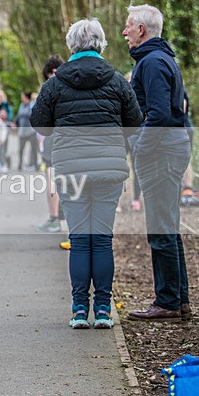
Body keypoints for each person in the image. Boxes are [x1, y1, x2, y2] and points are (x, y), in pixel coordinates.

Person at [32, 19, 142, 329]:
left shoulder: (54, 83)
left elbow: (40, 124)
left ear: (71, 47)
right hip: (109, 168)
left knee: (80, 240)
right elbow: (134, 122)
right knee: (102, 240)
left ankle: (80, 310)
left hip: (71, 170)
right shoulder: (118, 81)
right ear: (101, 44)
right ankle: (104, 310)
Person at [122, 4, 192, 321]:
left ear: (141, 29)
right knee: (168, 225)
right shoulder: (158, 59)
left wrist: (139, 145)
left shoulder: (151, 62)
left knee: (161, 228)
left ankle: (167, 302)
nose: (123, 32)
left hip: (162, 151)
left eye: (128, 26)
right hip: (169, 148)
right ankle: (179, 299)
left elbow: (161, 115)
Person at [37, 55, 65, 234]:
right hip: (70, 138)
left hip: (53, 137)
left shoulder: (47, 88)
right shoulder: (73, 84)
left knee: (52, 177)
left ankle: (54, 218)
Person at [15, 91, 38, 170]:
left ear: (26, 97)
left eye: (23, 96)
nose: (22, 98)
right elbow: (18, 116)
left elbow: (34, 115)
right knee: (21, 149)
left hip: (31, 131)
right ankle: (20, 164)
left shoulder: (32, 105)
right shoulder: (21, 105)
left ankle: (35, 164)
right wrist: (15, 123)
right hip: (22, 132)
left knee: (34, 149)